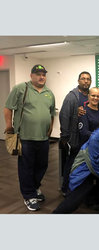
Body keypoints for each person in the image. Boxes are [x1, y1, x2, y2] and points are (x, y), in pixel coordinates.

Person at [4, 64, 55, 211]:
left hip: (43, 138)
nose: (41, 77)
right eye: (38, 74)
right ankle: (28, 196)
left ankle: (35, 188)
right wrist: (9, 125)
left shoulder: (49, 93)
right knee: (26, 167)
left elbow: (51, 113)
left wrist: (50, 128)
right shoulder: (21, 88)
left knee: (42, 166)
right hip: (25, 137)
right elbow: (8, 107)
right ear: (31, 75)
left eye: (43, 74)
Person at [59, 71, 92, 194]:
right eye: (83, 78)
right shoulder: (72, 96)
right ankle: (65, 188)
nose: (86, 81)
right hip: (74, 138)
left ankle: (80, 188)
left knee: (84, 165)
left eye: (88, 79)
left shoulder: (91, 95)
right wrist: (65, 136)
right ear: (78, 81)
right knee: (72, 163)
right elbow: (64, 116)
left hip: (87, 138)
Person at [78, 87, 99, 210]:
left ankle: (98, 198)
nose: (95, 98)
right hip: (88, 149)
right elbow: (83, 132)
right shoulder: (83, 111)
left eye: (98, 96)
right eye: (93, 95)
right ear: (88, 96)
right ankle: (88, 200)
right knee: (88, 176)